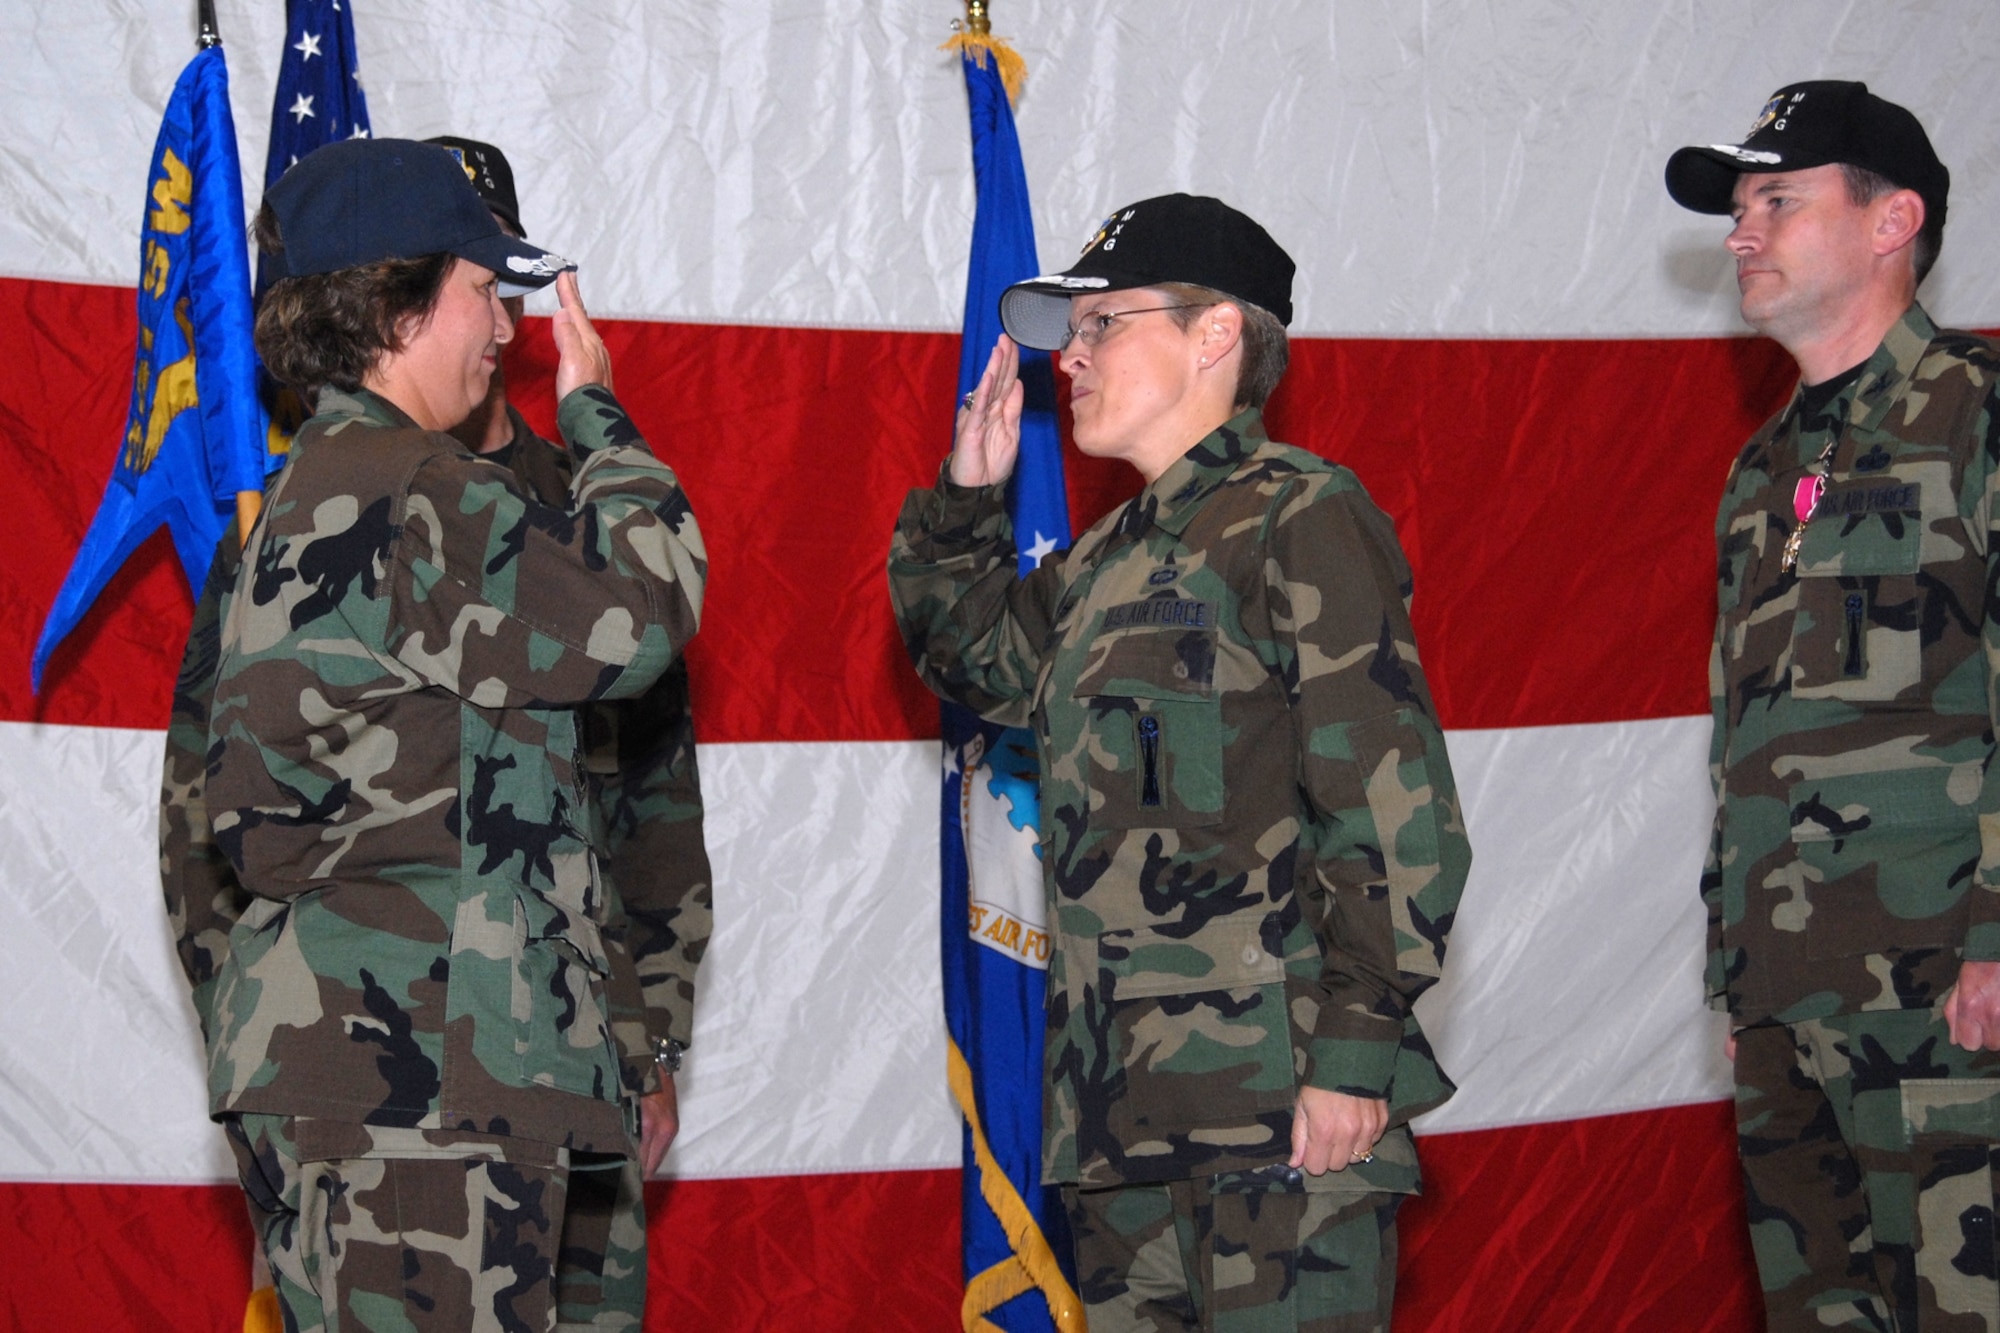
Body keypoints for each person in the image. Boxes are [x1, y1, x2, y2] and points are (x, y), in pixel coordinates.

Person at [888, 194, 1470, 1331]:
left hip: (1276, 1110)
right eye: (1075, 330)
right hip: (1118, 1116)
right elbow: (972, 663)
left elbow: (1392, 805)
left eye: (1103, 323)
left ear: (1215, 337)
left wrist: (1355, 1049)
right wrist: (966, 501)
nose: (1073, 356)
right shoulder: (1108, 556)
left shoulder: (1296, 514)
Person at [159, 137, 704, 1332]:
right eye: (481, 289)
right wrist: (598, 414)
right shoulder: (418, 489)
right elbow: (648, 603)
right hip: (423, 1077)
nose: (505, 328)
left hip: (374, 1070)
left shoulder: (316, 486)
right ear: (396, 303)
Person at [1668, 81, 2000, 1330]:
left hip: (1941, 987)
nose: (1740, 233)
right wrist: (1736, 971)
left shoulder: (1974, 413)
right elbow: (1745, 740)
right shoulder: (1762, 468)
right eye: (1737, 209)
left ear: (1889, 219)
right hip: (1786, 997)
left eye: (1775, 200)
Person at [428, 126, 715, 1222]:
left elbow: (650, 800)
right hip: (382, 1055)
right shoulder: (331, 505)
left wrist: (652, 1031)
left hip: (577, 1044)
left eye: (502, 274)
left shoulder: (587, 508)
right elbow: (207, 817)